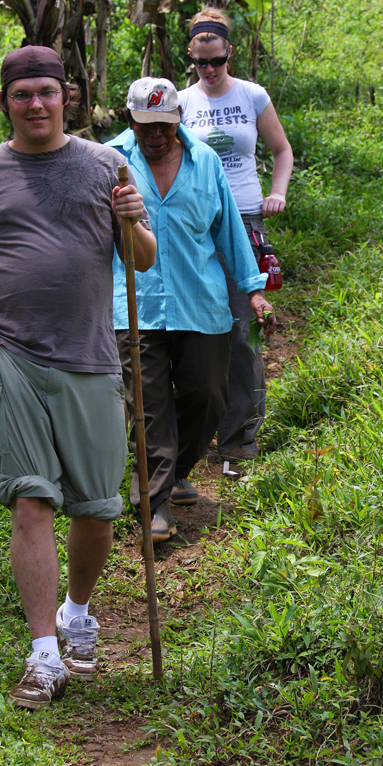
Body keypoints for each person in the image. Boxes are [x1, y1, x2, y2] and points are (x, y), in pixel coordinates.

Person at [0, 46, 155, 709]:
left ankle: (77, 614)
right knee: (31, 500)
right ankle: (43, 657)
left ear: (67, 98)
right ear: (5, 101)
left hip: (89, 359)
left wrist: (131, 219)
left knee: (96, 510)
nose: (35, 104)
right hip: (11, 356)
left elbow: (141, 259)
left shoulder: (105, 164)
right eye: (22, 94)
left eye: (46, 93)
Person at [108, 76, 273, 544]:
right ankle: (155, 503)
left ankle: (175, 469)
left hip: (200, 301)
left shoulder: (205, 161)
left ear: (178, 117)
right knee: (148, 405)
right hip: (134, 305)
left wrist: (253, 289)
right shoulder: (110, 160)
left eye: (164, 124)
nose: (156, 135)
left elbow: (228, 231)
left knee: (208, 397)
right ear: (131, 120)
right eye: (146, 125)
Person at [177, 8, 294, 462]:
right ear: (191, 56)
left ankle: (240, 439)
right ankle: (195, 433)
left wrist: (276, 192)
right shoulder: (182, 102)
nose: (209, 71)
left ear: (229, 53)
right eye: (200, 62)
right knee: (198, 329)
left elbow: (281, 151)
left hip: (244, 219)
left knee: (241, 329)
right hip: (198, 222)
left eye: (216, 61)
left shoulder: (252, 95)